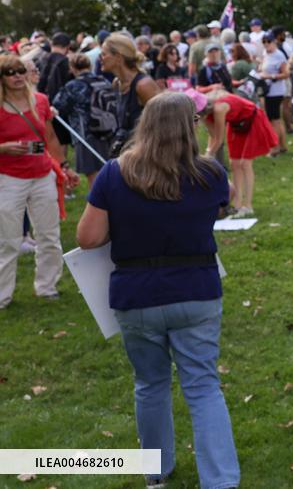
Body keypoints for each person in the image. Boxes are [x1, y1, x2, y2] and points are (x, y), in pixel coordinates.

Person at [75, 92, 240, 488]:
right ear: (190, 128)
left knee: (150, 384)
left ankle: (156, 473)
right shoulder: (211, 175)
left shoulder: (116, 173)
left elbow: (88, 237)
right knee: (202, 386)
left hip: (137, 295)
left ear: (145, 125)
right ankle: (220, 481)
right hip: (196, 290)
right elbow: (223, 203)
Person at [0, 53, 79, 308]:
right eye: (10, 72)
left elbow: (51, 139)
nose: (17, 76)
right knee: (8, 239)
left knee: (49, 235)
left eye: (21, 70)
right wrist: (4, 148)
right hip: (9, 177)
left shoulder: (41, 101)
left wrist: (64, 167)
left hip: (42, 173)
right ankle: (3, 295)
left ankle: (47, 287)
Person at [186, 89, 276, 218]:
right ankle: (237, 205)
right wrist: (208, 153)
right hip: (236, 125)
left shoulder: (219, 108)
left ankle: (248, 205)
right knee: (234, 163)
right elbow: (213, 135)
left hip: (252, 121)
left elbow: (219, 138)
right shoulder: (205, 114)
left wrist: (207, 156)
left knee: (245, 163)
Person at [52, 54, 112, 184]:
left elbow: (58, 107)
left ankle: (99, 202)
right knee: (109, 170)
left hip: (85, 134)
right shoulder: (103, 81)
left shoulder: (72, 86)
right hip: (108, 130)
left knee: (94, 176)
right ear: (90, 66)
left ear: (72, 68)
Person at [100, 33, 159, 156]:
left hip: (147, 155)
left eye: (104, 54)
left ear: (118, 58)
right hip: (127, 153)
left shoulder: (143, 85)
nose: (100, 58)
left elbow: (164, 122)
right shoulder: (116, 83)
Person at [260, 31, 290, 156]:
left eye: (268, 41)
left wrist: (270, 76)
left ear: (274, 42)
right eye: (264, 42)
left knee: (274, 120)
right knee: (276, 119)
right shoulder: (265, 53)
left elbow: (286, 74)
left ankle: (275, 148)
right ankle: (282, 146)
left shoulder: (279, 55)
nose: (266, 44)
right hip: (268, 91)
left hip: (275, 92)